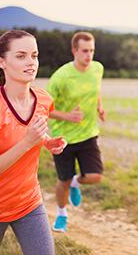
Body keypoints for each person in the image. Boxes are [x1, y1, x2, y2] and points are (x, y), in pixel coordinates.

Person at [0, 29, 67, 255]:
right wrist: (28, 142)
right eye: (21, 56)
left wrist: (46, 142)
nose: (31, 62)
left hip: (28, 203)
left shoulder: (43, 100)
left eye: (34, 55)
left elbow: (27, 134)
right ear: (2, 62)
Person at [47, 31, 106, 233]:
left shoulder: (97, 68)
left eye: (92, 50)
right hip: (63, 138)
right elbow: (45, 108)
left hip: (88, 132)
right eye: (84, 51)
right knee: (61, 180)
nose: (89, 55)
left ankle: (76, 182)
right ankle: (62, 215)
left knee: (95, 176)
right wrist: (67, 116)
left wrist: (99, 107)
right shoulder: (61, 77)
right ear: (74, 50)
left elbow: (96, 89)